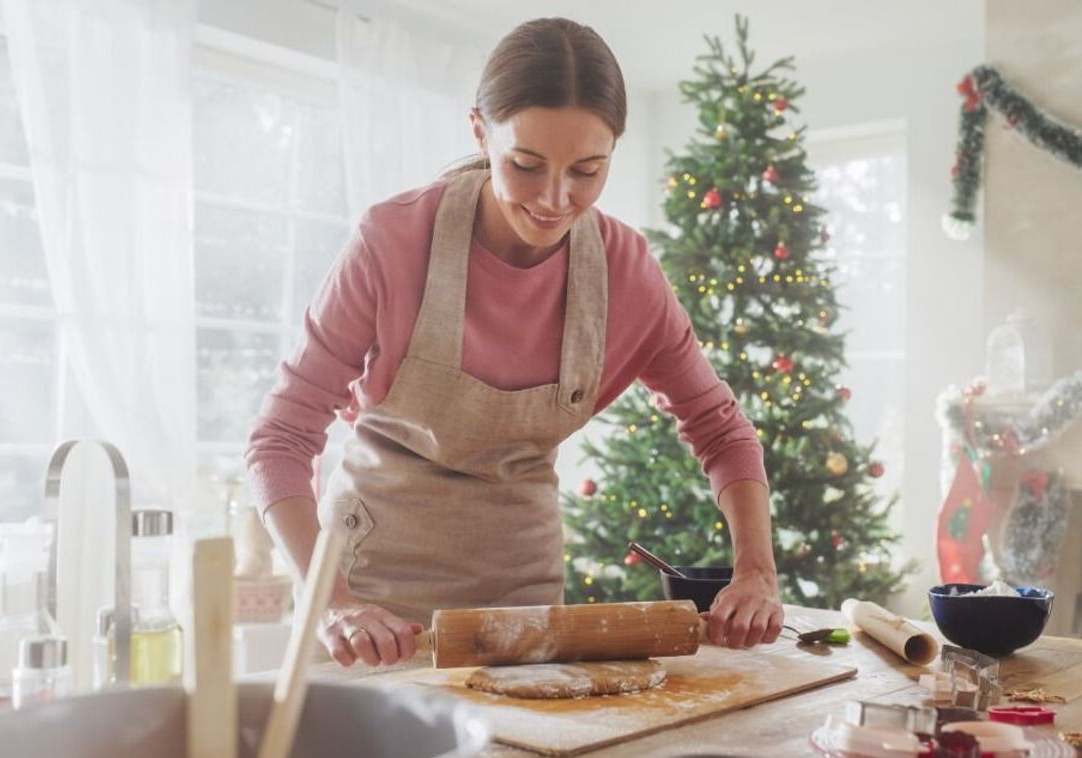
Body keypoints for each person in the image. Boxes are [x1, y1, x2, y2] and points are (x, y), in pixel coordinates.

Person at [246, 17, 782, 669]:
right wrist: (332, 600)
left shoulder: (625, 273)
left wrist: (755, 570)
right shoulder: (393, 241)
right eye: (525, 165)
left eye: (587, 170)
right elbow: (280, 439)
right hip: (370, 600)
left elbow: (720, 430)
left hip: (525, 608)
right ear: (480, 132)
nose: (556, 200)